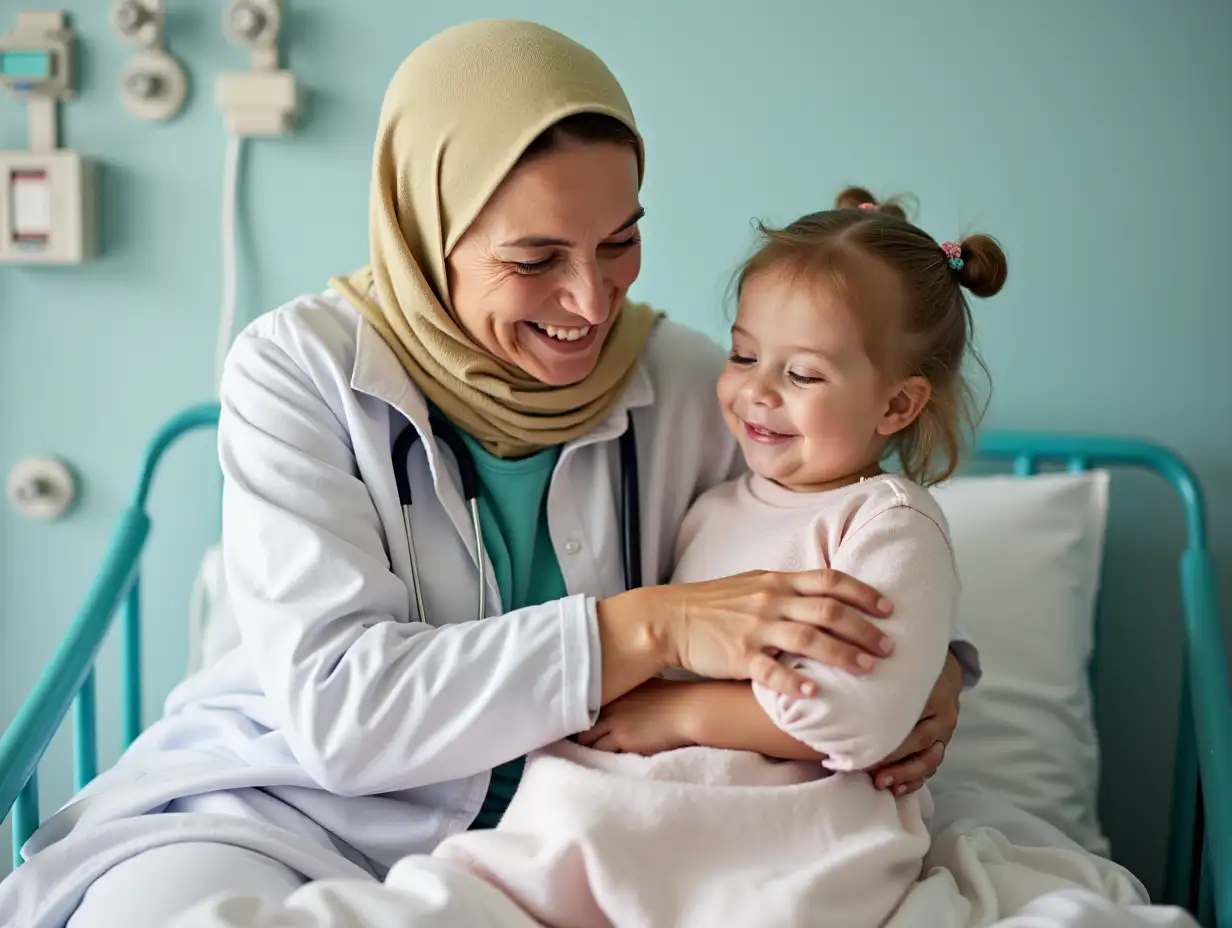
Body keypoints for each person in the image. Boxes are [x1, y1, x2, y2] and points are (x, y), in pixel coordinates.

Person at [0, 21, 976, 928]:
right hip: (284, 801)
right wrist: (655, 625)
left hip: (571, 833)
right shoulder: (298, 371)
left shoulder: (692, 381)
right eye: (534, 256)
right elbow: (342, 714)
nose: (589, 300)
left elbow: (827, 530)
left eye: (618, 241)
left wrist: (931, 667)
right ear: (430, 232)